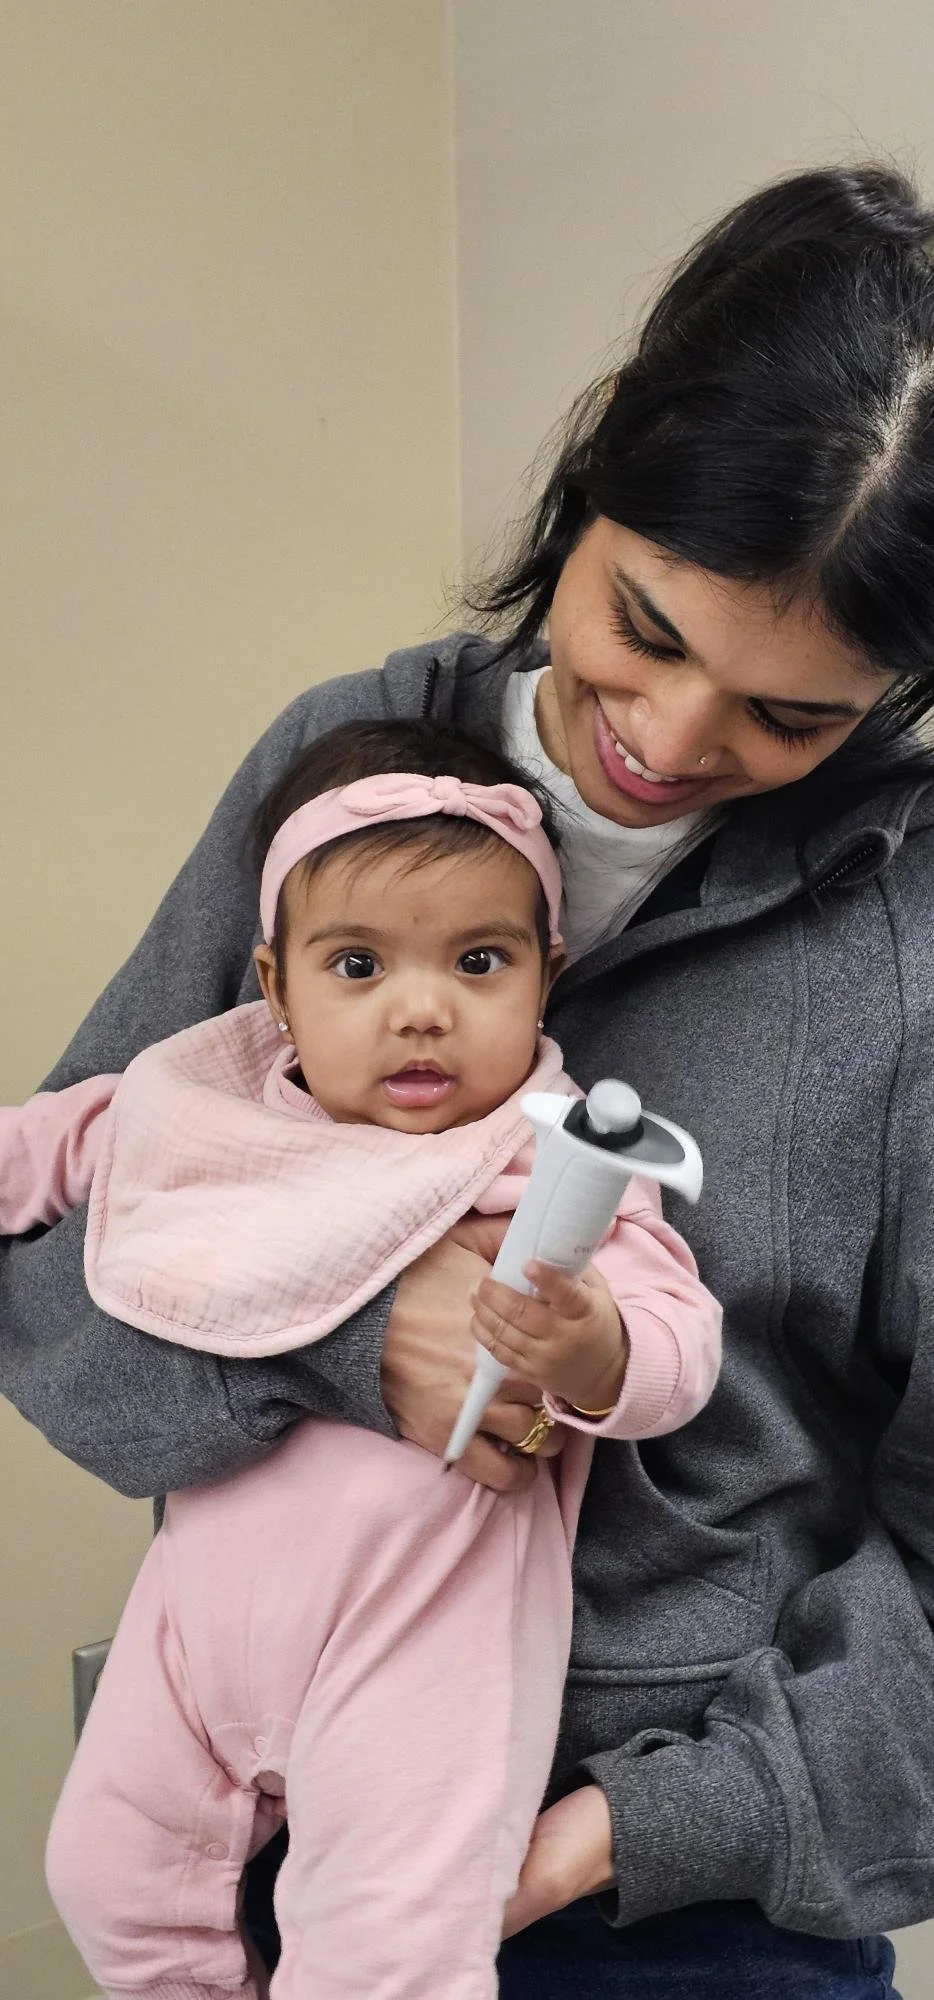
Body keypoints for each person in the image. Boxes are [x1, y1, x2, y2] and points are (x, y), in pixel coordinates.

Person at [4, 158, 934, 1998]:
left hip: (684, 1898)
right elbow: (50, 1278)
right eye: (645, 628)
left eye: (789, 715)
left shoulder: (908, 936)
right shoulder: (340, 769)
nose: (667, 740)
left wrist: (634, 1831)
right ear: (600, 458)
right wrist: (351, 1342)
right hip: (271, 1798)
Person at [1, 720, 719, 2000]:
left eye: (480, 960)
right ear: (275, 986)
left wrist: (598, 1346)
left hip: (417, 1643)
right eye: (356, 963)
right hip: (195, 1623)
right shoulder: (204, 1106)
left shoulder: (545, 1159)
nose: (421, 1007)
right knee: (106, 1876)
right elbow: (44, 1151)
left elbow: (678, 1334)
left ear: (545, 974)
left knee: (387, 1953)